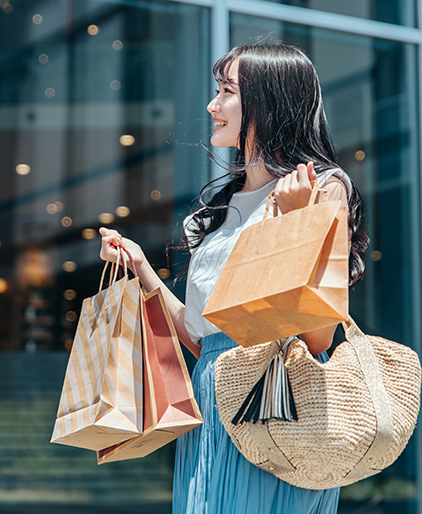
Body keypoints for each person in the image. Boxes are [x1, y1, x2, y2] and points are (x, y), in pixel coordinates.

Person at [99, 43, 368, 514]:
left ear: (269, 102)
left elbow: (319, 335)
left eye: (226, 91)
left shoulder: (322, 187)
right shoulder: (217, 210)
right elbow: (206, 338)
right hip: (213, 407)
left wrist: (293, 225)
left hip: (278, 408)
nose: (212, 105)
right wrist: (141, 269)